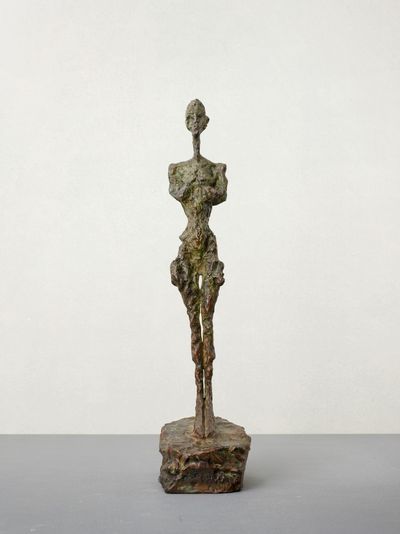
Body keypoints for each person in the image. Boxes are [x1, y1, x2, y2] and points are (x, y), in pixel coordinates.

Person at [169, 99, 228, 438]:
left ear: (206, 122)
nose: (194, 121)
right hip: (188, 246)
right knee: (194, 322)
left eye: (198, 116)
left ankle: (208, 405)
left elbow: (218, 195)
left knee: (209, 319)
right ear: (186, 122)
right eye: (189, 116)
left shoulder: (216, 169)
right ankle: (199, 401)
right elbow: (178, 192)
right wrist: (197, 186)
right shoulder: (176, 170)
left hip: (207, 248)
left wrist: (203, 186)